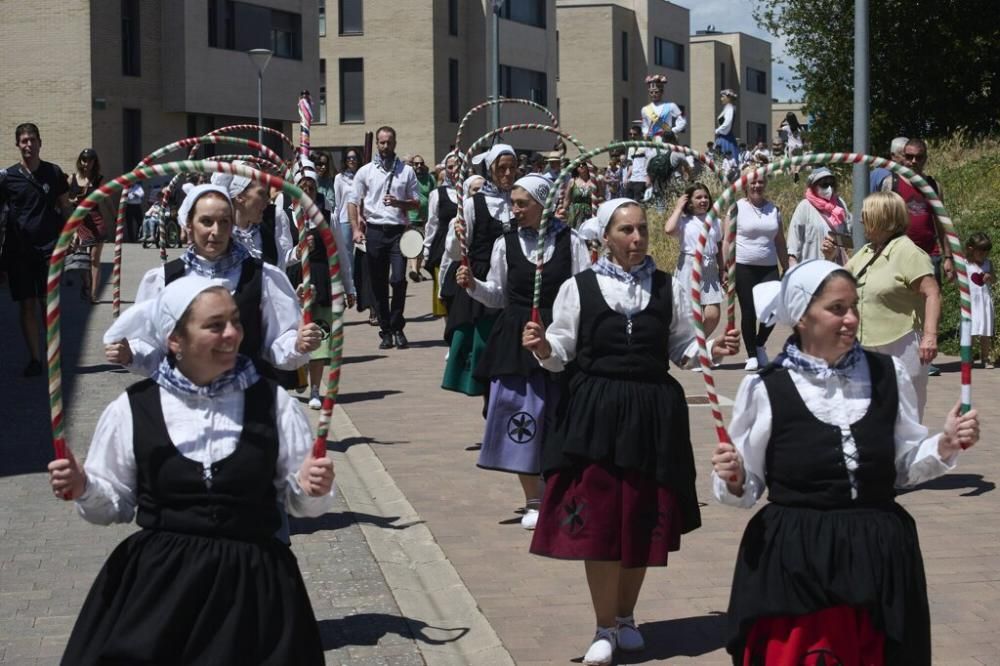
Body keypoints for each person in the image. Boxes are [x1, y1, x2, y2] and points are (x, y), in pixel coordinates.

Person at [50, 275, 335, 665]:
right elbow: (113, 506)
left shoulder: (274, 402)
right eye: (215, 325)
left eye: (235, 321)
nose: (232, 334)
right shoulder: (133, 408)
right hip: (160, 590)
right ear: (175, 340)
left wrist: (310, 488)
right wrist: (85, 486)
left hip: (254, 590)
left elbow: (302, 504)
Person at [712, 259, 980, 665]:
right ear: (802, 317)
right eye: (837, 308)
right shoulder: (766, 386)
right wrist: (733, 478)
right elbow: (747, 487)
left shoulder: (887, 373)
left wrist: (943, 445)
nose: (852, 318)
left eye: (854, 306)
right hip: (798, 559)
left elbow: (902, 468)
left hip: (880, 555)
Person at [523, 197, 739, 665]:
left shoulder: (668, 287)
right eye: (626, 231)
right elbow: (562, 348)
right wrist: (542, 347)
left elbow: (682, 348)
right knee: (599, 522)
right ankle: (603, 625)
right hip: (594, 411)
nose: (637, 239)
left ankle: (625, 617)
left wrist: (713, 349)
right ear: (607, 237)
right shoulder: (579, 287)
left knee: (641, 518)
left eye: (641, 229)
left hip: (652, 413)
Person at [457, 174, 590, 530]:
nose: (513, 210)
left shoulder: (571, 241)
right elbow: (497, 294)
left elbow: (584, 290)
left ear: (542, 204)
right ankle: (533, 499)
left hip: (559, 333)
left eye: (521, 203)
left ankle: (557, 489)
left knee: (558, 415)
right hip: (515, 338)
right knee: (521, 415)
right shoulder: (506, 243)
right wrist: (473, 286)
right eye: (513, 202)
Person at [104, 184, 323, 381]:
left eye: (224, 222)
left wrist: (297, 344)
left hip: (246, 407)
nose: (215, 232)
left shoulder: (263, 276)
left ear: (232, 226)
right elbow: (153, 348)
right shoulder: (163, 279)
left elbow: (276, 344)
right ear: (189, 224)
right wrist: (129, 354)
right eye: (206, 222)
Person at [846, 191, 940, 419]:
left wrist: (930, 335)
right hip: (866, 343)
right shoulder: (867, 252)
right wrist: (830, 256)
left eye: (866, 214)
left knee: (905, 413)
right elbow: (841, 282)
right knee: (867, 412)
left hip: (902, 343)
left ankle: (906, 454)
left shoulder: (908, 252)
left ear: (882, 217)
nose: (860, 220)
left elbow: (932, 293)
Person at [441, 145, 517, 396]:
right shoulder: (473, 204)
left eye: (512, 168)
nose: (507, 174)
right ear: (491, 170)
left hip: (514, 281)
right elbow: (454, 252)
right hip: (480, 280)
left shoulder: (519, 201)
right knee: (482, 348)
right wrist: (457, 233)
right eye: (501, 168)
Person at [0, 123, 72, 376]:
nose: (28, 145)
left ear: (40, 142)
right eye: (23, 141)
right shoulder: (8, 177)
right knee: (26, 304)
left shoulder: (53, 173)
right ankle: (35, 359)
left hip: (48, 248)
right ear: (17, 145)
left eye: (32, 140)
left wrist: (70, 233)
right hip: (19, 251)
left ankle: (53, 354)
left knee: (47, 304)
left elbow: (64, 205)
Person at [287, 158, 354, 409]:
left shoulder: (328, 215)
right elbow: (282, 253)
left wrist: (348, 287)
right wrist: (298, 250)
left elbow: (341, 254)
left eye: (311, 188)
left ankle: (316, 388)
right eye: (302, 187)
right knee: (297, 334)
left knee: (320, 336)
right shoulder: (284, 215)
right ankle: (299, 374)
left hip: (322, 279)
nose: (306, 192)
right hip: (296, 280)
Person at [348, 126, 420, 350]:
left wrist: (400, 203)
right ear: (377, 144)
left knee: (398, 279)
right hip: (375, 231)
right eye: (381, 142)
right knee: (378, 283)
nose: (385, 146)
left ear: (395, 143)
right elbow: (353, 201)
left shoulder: (406, 172)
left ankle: (398, 327)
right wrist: (355, 230)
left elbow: (416, 202)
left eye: (389, 142)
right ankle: (386, 330)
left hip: (398, 231)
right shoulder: (366, 171)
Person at [723, 175, 789, 371]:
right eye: (753, 182)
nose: (757, 186)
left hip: (768, 267)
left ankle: (760, 344)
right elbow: (727, 240)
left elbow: (780, 242)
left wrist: (787, 267)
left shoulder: (773, 210)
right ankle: (751, 354)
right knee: (749, 312)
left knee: (773, 309)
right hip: (743, 266)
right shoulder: (736, 209)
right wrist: (727, 268)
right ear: (745, 185)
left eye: (760, 182)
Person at [664, 184, 724, 346]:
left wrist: (722, 269)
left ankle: (696, 345)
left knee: (713, 315)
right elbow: (669, 230)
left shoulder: (716, 221)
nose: (703, 200)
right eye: (698, 197)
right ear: (689, 202)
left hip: (709, 268)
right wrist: (678, 208)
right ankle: (692, 349)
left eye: (706, 197)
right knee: (689, 315)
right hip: (690, 267)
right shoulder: (684, 222)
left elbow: (719, 248)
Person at [212, 161, 295, 272]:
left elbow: (280, 266)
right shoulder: (217, 233)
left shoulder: (272, 220)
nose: (267, 200)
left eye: (267, 194)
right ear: (240, 195)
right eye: (261, 193)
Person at [67, 148, 114, 305]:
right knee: (80, 260)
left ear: (95, 162)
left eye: (91, 160)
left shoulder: (99, 180)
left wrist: (115, 216)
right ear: (80, 161)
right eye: (84, 160)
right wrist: (71, 202)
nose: (87, 163)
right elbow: (63, 200)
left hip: (96, 221)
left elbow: (107, 200)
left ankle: (93, 295)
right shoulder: (72, 179)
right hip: (79, 223)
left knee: (94, 259)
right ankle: (86, 284)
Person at [786, 166, 853, 266]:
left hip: (836, 267)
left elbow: (850, 234)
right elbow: (793, 245)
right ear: (814, 186)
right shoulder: (805, 207)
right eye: (824, 184)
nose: (829, 188)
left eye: (831, 184)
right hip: (811, 268)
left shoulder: (840, 204)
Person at [423, 153, 461, 317]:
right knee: (445, 293)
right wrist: (426, 249)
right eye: (450, 167)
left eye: (457, 166)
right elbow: (432, 223)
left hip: (463, 248)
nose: (454, 170)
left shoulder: (471, 190)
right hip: (442, 247)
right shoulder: (437, 194)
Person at [966, 232, 995, 368]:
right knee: (970, 331)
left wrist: (990, 277)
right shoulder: (965, 264)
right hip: (971, 302)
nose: (984, 254)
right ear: (971, 249)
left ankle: (985, 358)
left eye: (986, 251)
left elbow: (994, 279)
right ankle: (968, 357)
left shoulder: (988, 264)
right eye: (981, 251)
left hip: (984, 301)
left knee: (985, 332)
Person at [408, 154, 436, 282]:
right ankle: (414, 270)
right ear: (412, 165)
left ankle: (417, 271)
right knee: (415, 244)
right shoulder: (409, 177)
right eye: (416, 164)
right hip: (412, 216)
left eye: (421, 163)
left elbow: (435, 194)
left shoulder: (429, 178)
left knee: (422, 245)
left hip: (426, 217)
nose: (419, 166)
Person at [640, 74, 686, 141]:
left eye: (656, 92)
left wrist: (672, 131)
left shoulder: (671, 106)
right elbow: (644, 125)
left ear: (662, 92)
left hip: (666, 139)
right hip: (651, 141)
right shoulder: (645, 109)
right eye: (651, 92)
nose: (653, 94)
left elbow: (682, 120)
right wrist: (645, 134)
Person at [564, 162, 599, 228]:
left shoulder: (594, 181)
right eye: (578, 165)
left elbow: (601, 197)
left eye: (583, 164)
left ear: (588, 166)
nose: (581, 166)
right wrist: (563, 211)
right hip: (574, 214)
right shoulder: (572, 181)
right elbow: (567, 200)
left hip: (590, 213)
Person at [623, 125, 649, 202]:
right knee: (627, 201)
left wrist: (648, 178)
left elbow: (649, 164)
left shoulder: (645, 147)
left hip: (642, 179)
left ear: (640, 135)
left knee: (639, 202)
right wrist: (626, 177)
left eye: (635, 134)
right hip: (632, 179)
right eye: (630, 134)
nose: (632, 136)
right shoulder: (631, 148)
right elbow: (631, 165)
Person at [779, 112, 805, 182]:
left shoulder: (787, 127)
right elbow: (804, 137)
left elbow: (778, 129)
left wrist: (783, 121)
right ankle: (797, 172)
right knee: (799, 162)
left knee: (792, 163)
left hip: (792, 147)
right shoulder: (800, 128)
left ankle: (794, 179)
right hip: (799, 146)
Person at [714, 89, 739, 162]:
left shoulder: (730, 108)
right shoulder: (727, 108)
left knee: (725, 159)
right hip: (722, 137)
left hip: (726, 138)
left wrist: (717, 130)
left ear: (728, 98)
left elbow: (727, 123)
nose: (721, 99)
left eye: (722, 97)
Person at [311, 150, 337, 214]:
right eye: (320, 164)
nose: (324, 167)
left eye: (326, 164)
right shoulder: (304, 180)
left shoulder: (328, 181)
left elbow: (332, 204)